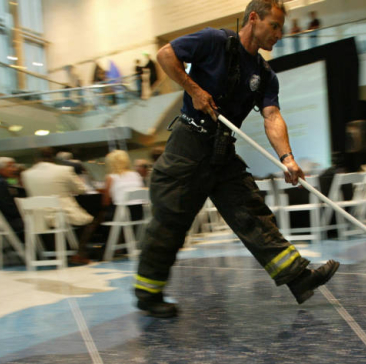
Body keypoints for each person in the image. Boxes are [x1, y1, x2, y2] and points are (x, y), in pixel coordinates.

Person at [135, 0, 339, 318]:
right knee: (170, 221)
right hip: (188, 146)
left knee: (252, 213)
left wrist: (287, 157)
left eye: (281, 29)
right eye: (274, 26)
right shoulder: (214, 41)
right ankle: (148, 294)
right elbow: (165, 54)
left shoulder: (265, 75)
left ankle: (300, 280)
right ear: (254, 18)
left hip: (222, 151)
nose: (279, 35)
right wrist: (193, 90)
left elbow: (272, 116)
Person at [21, 147, 94, 264]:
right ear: (52, 157)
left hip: (38, 216)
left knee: (59, 225)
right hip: (62, 213)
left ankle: (55, 253)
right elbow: (80, 189)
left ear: (36, 159)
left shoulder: (26, 174)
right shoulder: (64, 170)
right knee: (89, 221)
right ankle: (79, 254)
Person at [103, 150, 145, 221]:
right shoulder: (136, 175)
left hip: (121, 214)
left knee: (102, 214)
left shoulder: (111, 177)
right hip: (140, 212)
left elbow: (106, 201)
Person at [0, 157, 24, 233]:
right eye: (10, 166)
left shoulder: (4, 181)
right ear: (0, 170)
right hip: (7, 222)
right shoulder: (0, 183)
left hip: (6, 221)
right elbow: (8, 209)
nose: (14, 170)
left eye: (14, 166)